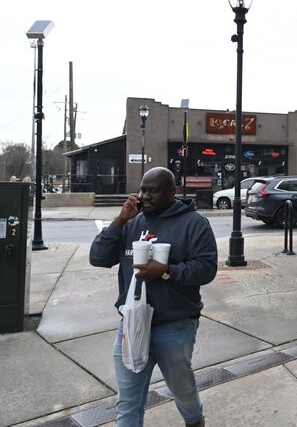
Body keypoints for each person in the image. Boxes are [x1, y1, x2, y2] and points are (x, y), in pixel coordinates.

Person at [90, 167, 217, 427]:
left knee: (182, 389)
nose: (145, 196)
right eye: (143, 190)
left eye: (153, 191)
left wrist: (167, 271)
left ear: (171, 192)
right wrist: (119, 220)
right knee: (128, 401)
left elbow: (206, 269)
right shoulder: (132, 222)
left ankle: (195, 421)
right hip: (132, 323)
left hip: (174, 325)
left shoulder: (193, 224)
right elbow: (98, 258)